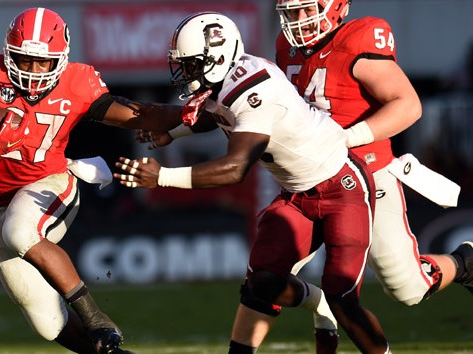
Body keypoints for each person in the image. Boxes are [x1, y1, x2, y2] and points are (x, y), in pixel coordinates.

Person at [116, 11, 392, 354]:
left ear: (216, 58)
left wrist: (162, 177)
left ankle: (338, 314)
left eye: (190, 64)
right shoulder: (228, 77)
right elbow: (217, 113)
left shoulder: (253, 88)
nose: (185, 73)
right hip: (297, 194)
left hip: (341, 187)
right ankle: (311, 306)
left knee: (344, 298)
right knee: (261, 282)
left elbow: (236, 167)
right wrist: (174, 132)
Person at [0, 7, 187, 354]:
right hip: (0, 202)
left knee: (20, 232)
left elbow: (133, 113)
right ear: (8, 52)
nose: (33, 71)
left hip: (50, 183)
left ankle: (95, 316)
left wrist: (188, 119)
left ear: (60, 58)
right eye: (24, 59)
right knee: (47, 323)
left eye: (42, 62)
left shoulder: (77, 83)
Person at [227, 1, 473, 353]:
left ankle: (465, 263)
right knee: (262, 278)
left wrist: (346, 137)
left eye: (306, 9)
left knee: (407, 288)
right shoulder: (286, 47)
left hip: (368, 176)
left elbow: (408, 105)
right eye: (292, 11)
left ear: (336, 6)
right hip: (310, 181)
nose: (299, 21)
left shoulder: (358, 38)